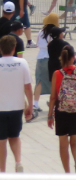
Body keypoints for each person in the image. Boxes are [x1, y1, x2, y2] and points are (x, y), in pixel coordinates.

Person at [49, 44, 76, 174]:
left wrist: (50, 115)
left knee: (63, 143)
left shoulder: (57, 74)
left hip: (61, 110)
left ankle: (67, 172)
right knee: (75, 141)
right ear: (73, 57)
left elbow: (53, 97)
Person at [0, 34, 32, 173]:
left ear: (1, 49)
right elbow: (28, 87)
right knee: (15, 136)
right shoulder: (22, 63)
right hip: (17, 107)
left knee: (1, 141)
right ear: (14, 48)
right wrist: (30, 105)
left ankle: (2, 170)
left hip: (1, 108)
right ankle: (18, 161)